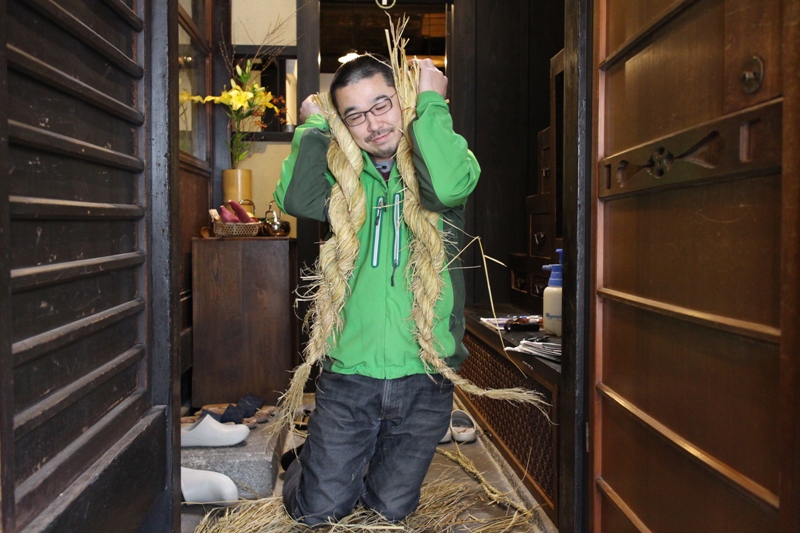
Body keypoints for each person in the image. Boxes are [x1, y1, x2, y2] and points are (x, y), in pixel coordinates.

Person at [274, 54, 480, 526]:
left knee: (388, 513)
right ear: (344, 124)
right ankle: (308, 467)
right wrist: (314, 127)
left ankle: (343, 468)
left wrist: (432, 103)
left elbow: (448, 189)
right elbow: (295, 199)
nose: (373, 124)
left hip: (425, 375)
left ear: (402, 100)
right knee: (320, 512)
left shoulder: (446, 161)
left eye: (381, 105)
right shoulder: (342, 181)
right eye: (355, 116)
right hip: (350, 374)